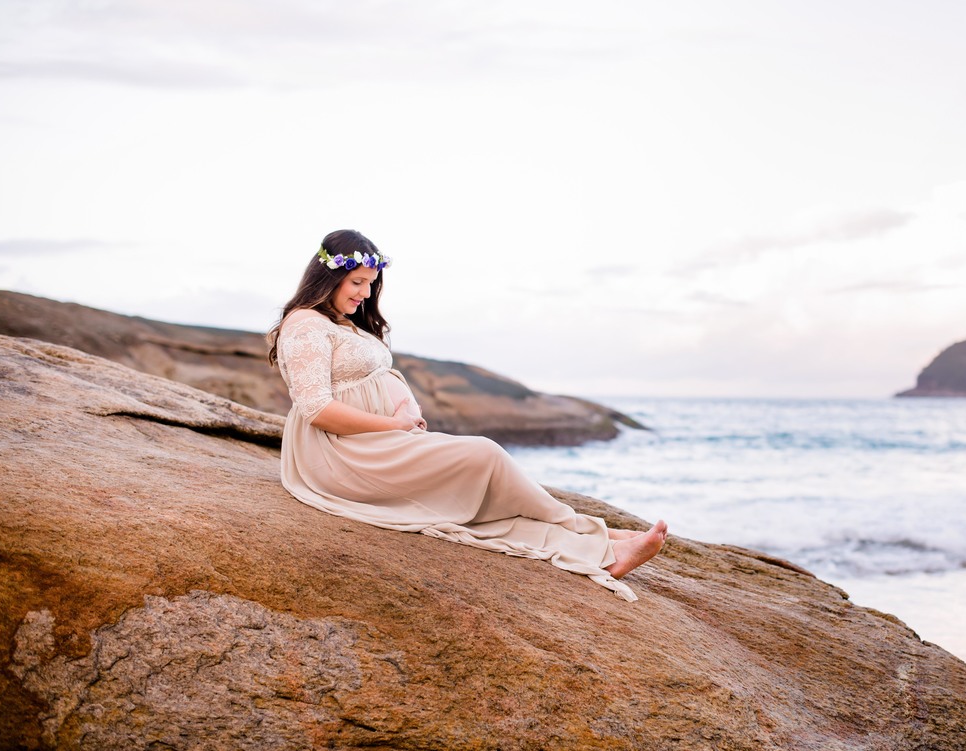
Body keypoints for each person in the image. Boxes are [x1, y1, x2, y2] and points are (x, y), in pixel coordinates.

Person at [267, 229, 667, 601]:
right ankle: (585, 532)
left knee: (474, 503)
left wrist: (401, 414)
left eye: (371, 283)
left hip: (376, 442)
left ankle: (598, 542)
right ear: (326, 276)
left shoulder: (339, 322)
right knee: (484, 455)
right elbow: (317, 409)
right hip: (340, 455)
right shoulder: (305, 325)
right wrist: (395, 423)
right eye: (357, 283)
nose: (366, 293)